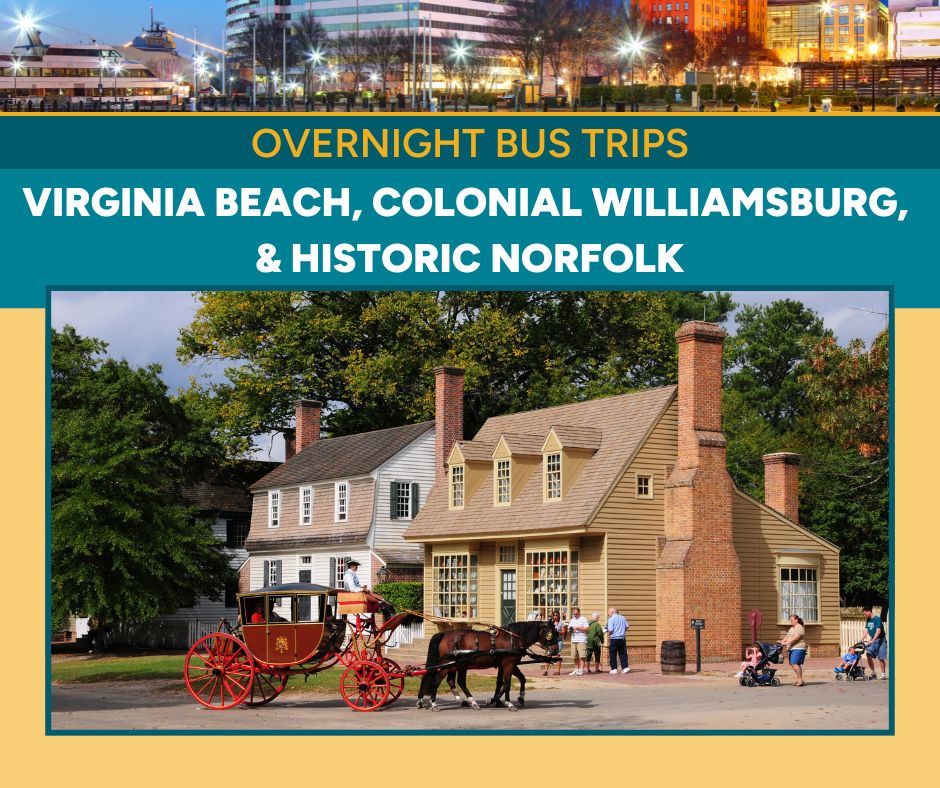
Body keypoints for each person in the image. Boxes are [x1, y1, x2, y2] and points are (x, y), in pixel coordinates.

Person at [779, 613, 808, 687]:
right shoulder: (792, 628)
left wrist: (787, 642)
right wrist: (782, 641)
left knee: (794, 664)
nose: (790, 621)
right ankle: (799, 679)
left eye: (792, 620)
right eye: (790, 620)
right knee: (795, 664)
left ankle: (800, 679)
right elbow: (787, 636)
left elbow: (796, 638)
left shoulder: (799, 627)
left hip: (798, 647)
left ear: (796, 620)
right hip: (792, 648)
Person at [863, 605, 888, 680]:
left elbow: (878, 631)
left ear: (869, 611)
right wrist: (861, 639)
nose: (865, 615)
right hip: (873, 640)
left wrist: (872, 640)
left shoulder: (877, 619)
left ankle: (883, 674)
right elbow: (866, 630)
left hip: (881, 640)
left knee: (881, 658)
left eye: (865, 613)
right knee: (868, 654)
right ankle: (873, 673)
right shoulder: (868, 620)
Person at [606, 607, 631, 674]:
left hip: (614, 638)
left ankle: (614, 669)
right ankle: (625, 667)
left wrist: (609, 635)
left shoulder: (611, 619)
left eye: (608, 612)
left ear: (612, 612)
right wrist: (622, 631)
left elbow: (610, 629)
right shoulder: (623, 618)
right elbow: (627, 626)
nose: (608, 614)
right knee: (623, 653)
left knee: (613, 654)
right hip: (622, 638)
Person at [567, 607, 589, 676]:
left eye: (576, 614)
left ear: (579, 613)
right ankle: (576, 669)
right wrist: (570, 630)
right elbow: (569, 629)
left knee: (582, 656)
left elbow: (587, 628)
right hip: (574, 640)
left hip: (581, 640)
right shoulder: (572, 620)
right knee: (574, 656)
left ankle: (581, 670)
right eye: (574, 614)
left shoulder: (583, 619)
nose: (575, 615)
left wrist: (578, 627)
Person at [544, 610, 566, 676]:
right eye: (554, 615)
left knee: (558, 656)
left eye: (557, 615)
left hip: (558, 641)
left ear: (559, 616)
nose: (555, 616)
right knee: (548, 655)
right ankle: (546, 671)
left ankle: (558, 671)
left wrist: (557, 632)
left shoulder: (562, 623)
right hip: (551, 642)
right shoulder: (550, 623)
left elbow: (564, 632)